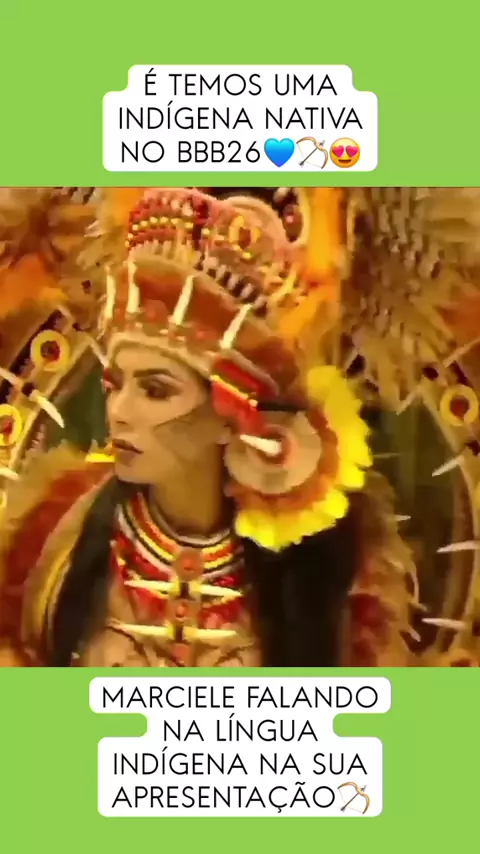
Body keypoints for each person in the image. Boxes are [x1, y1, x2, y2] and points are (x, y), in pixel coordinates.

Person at [0, 186, 477, 668]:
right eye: (113, 384)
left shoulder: (335, 575)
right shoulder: (55, 535)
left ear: (233, 416)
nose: (118, 412)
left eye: (156, 390)